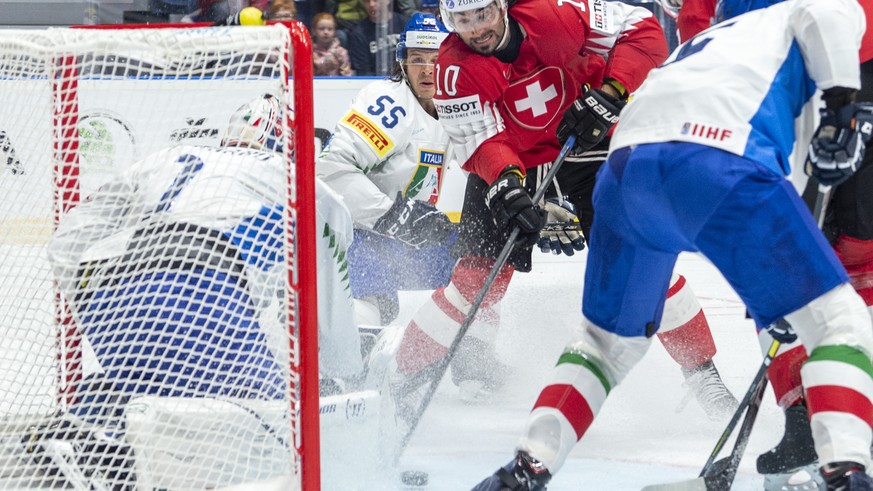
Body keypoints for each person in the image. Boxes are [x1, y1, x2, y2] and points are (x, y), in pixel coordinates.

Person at [473, 0, 873, 488]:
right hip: (721, 166)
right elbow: (828, 14)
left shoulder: (705, 43)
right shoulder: (796, 18)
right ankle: (847, 471)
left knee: (602, 347)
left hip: (623, 175)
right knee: (839, 321)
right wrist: (843, 107)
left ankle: (525, 468)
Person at [387, 0, 739, 432]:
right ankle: (403, 380)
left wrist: (611, 92)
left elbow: (643, 31)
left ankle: (704, 378)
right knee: (475, 282)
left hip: (590, 142)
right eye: (463, 20)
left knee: (641, 265)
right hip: (512, 153)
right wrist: (507, 185)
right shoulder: (454, 70)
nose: (476, 29)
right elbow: (479, 142)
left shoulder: (554, 14)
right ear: (449, 20)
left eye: (482, 14)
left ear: (502, 5)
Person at [48, 94, 363, 428]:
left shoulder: (166, 157)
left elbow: (65, 242)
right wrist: (344, 370)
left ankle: (85, 428)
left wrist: (95, 310)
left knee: (142, 396)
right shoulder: (285, 173)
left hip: (114, 305)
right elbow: (332, 240)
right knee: (285, 431)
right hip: (208, 302)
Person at [317, 13, 456, 327]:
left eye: (437, 59)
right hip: (357, 233)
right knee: (373, 304)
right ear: (402, 62)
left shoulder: (454, 104)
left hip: (404, 238)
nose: (427, 69)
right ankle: (347, 370)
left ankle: (467, 360)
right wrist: (395, 215)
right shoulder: (390, 102)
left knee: (477, 267)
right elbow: (330, 170)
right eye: (417, 59)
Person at [348, 0, 410, 76]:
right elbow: (363, 71)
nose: (371, 4)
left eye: (376, 0)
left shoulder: (406, 24)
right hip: (375, 83)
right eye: (367, 1)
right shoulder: (359, 33)